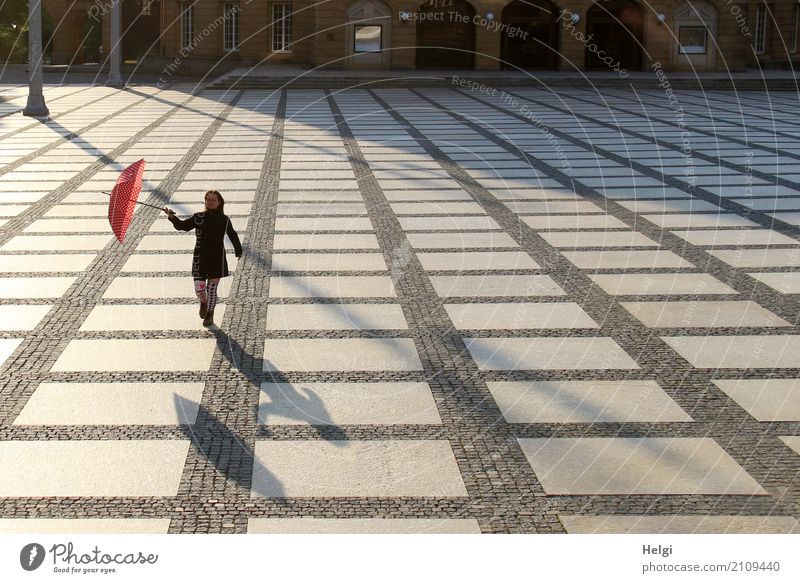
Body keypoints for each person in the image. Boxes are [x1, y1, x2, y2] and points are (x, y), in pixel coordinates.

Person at [163, 190, 242, 326]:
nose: (211, 202)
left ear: (219, 202)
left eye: (213, 200)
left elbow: (232, 234)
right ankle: (203, 302)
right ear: (205, 201)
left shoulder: (224, 220)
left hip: (216, 257)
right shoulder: (198, 217)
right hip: (200, 256)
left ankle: (210, 314)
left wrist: (238, 250)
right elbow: (183, 226)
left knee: (212, 289)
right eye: (208, 199)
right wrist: (171, 217)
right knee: (199, 288)